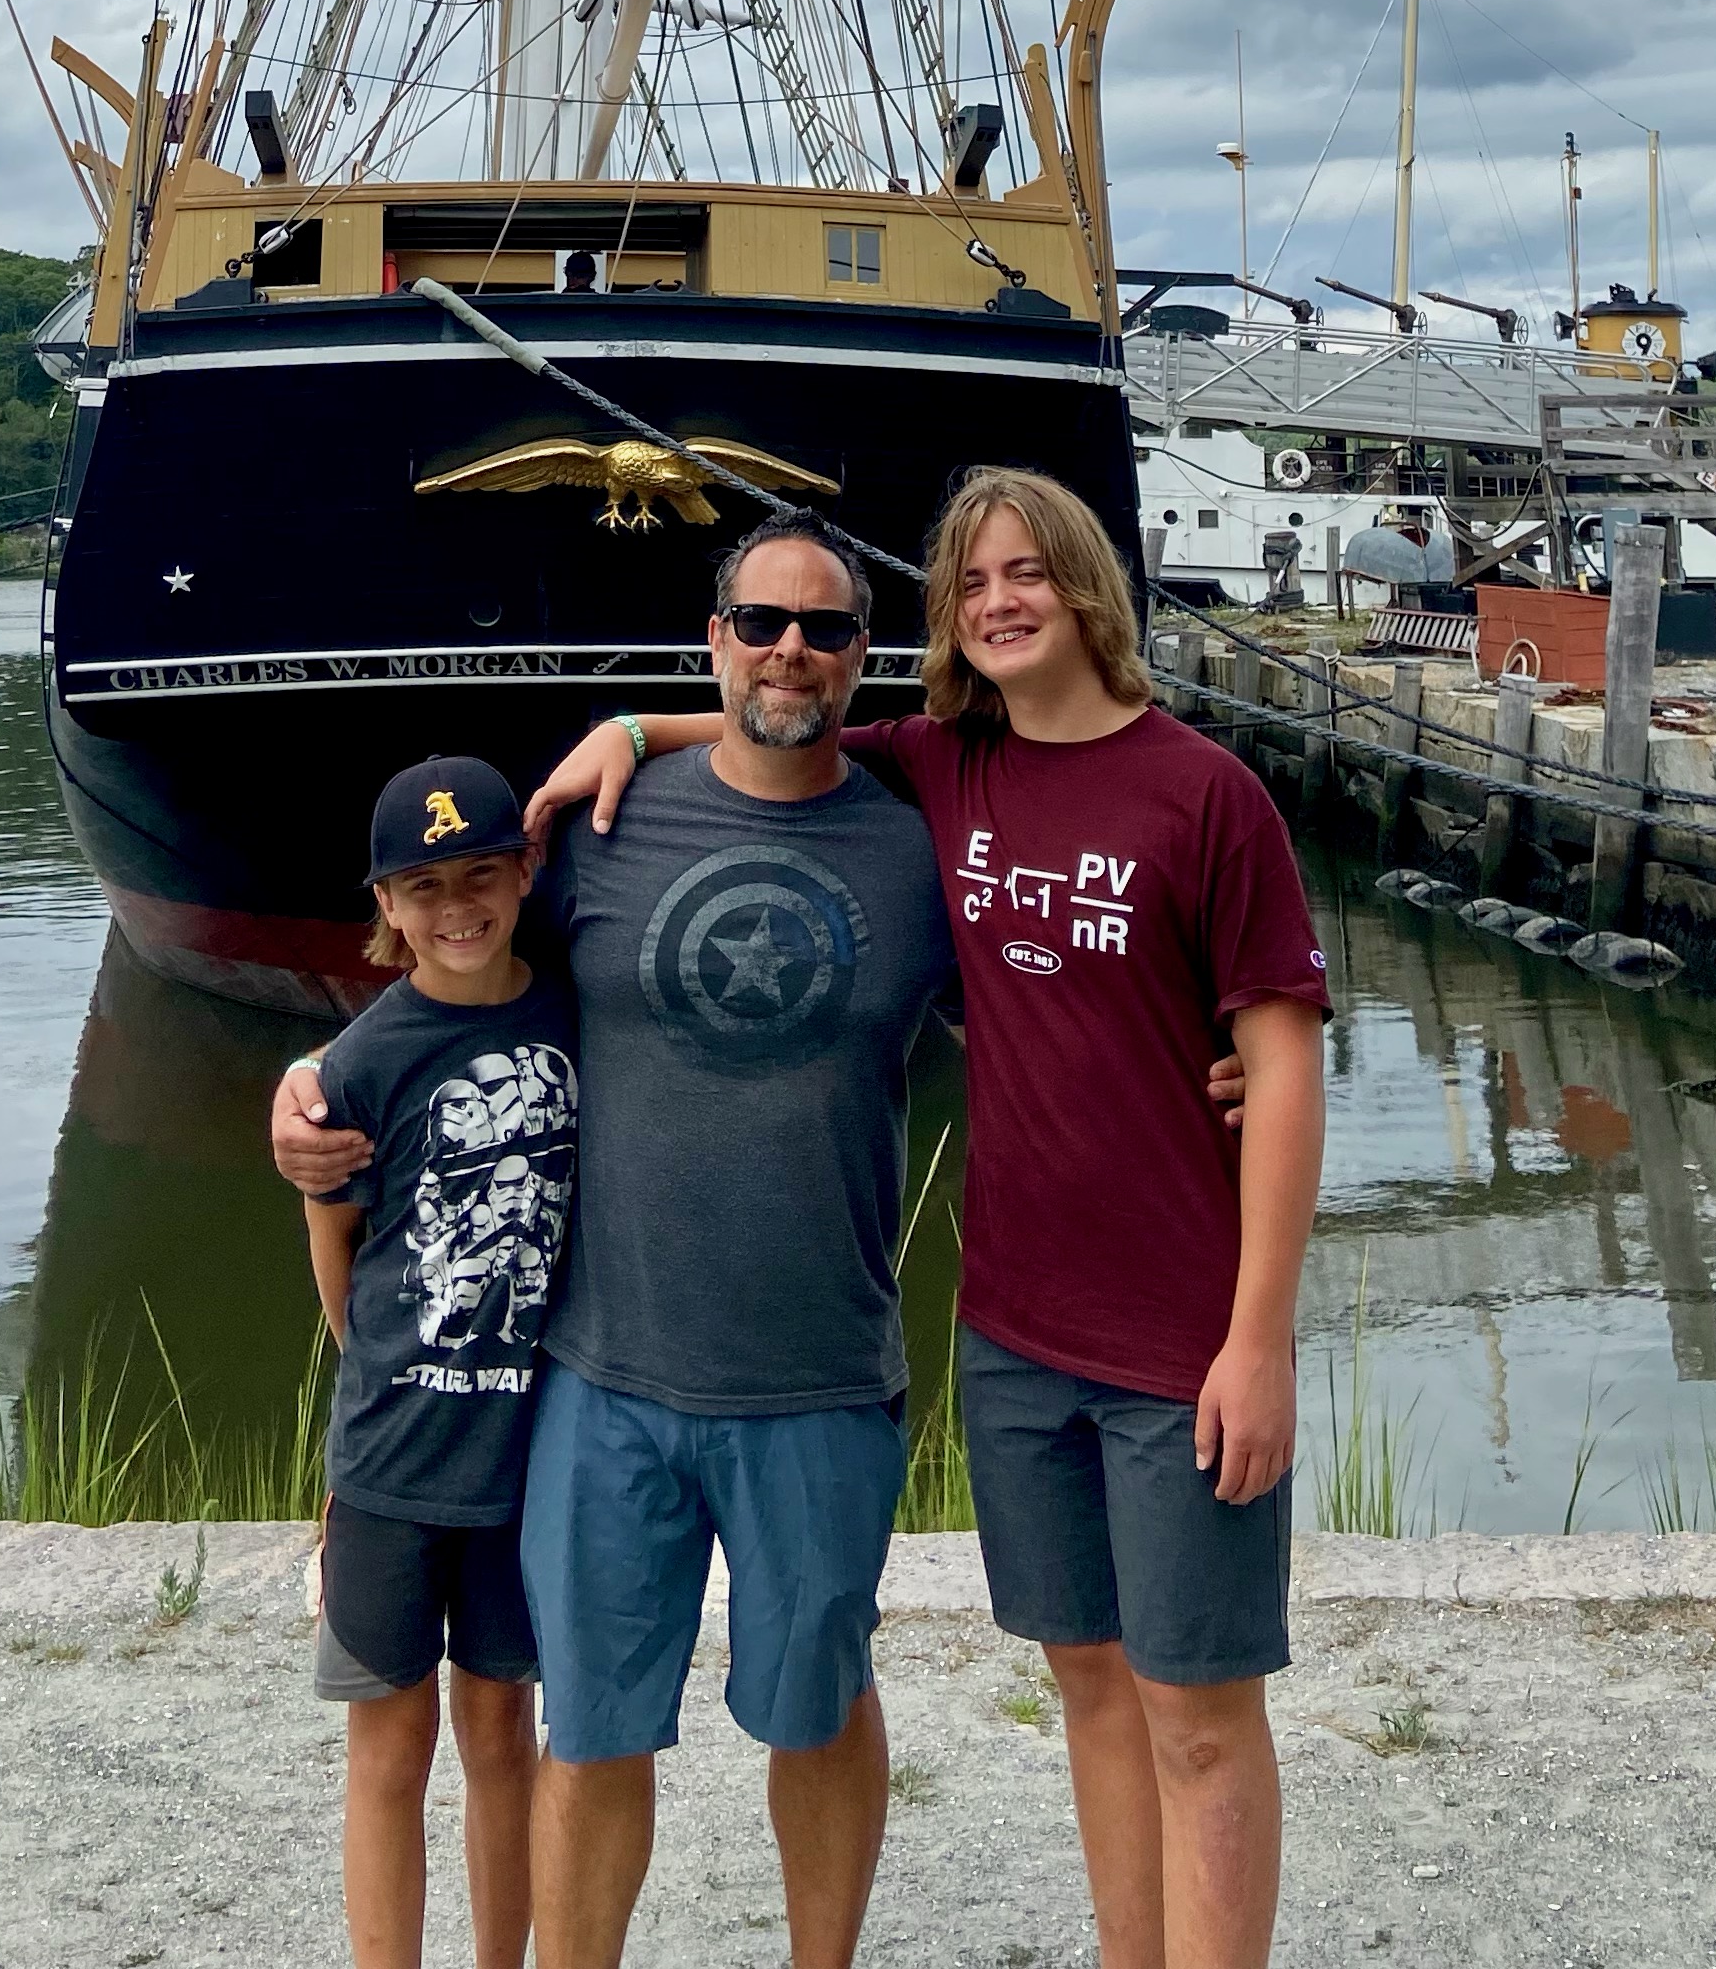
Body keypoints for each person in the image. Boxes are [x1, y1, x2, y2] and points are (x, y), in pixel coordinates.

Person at [536, 467, 1331, 1969]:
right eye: (970, 583)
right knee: (1091, 1682)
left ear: (1088, 583)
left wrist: (1261, 1337)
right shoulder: (949, 769)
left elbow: (1284, 1064)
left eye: (1026, 571)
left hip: (1175, 1329)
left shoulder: (1200, 793)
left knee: (1201, 1720)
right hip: (1014, 1328)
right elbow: (776, 730)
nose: (1000, 601)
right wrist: (632, 728)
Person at [277, 518, 955, 1969]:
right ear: (713, 636)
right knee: (591, 1730)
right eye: (761, 621)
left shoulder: (918, 841)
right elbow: (467, 990)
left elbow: (1056, 991)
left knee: (821, 1705)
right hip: (601, 1379)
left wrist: (1213, 1064)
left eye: (827, 631)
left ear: (863, 658)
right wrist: (313, 1113)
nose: (791, 651)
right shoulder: (596, 829)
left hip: (820, 1373)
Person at [299, 754, 576, 1969]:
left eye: (480, 873)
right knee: (387, 1749)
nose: (455, 905)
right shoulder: (362, 1060)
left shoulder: (576, 1014)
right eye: (423, 885)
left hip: (529, 1463)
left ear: (526, 871)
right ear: (387, 907)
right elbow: (339, 1261)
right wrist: (375, 1392)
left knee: (502, 1734)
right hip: (394, 1467)